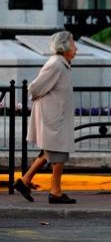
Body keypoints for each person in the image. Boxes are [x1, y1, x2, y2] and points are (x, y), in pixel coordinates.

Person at [13, 31, 78, 204]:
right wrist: (44, 104)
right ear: (64, 47)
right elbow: (34, 88)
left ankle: (24, 181)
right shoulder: (56, 64)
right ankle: (55, 192)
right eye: (73, 44)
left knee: (50, 153)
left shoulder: (62, 64)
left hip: (57, 117)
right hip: (53, 118)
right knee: (58, 154)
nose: (76, 48)